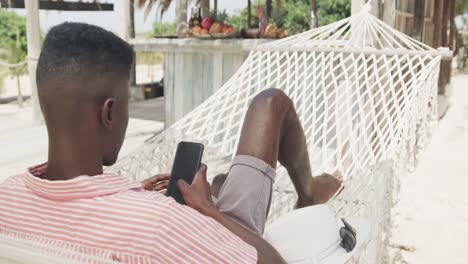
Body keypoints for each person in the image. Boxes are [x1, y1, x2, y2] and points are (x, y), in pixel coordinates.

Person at [0, 22, 342, 263]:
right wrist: (208, 212)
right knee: (270, 103)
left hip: (167, 230)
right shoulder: (158, 225)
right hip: (213, 240)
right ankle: (307, 194)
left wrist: (130, 194)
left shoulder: (6, 198)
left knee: (221, 182)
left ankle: (231, 190)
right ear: (109, 113)